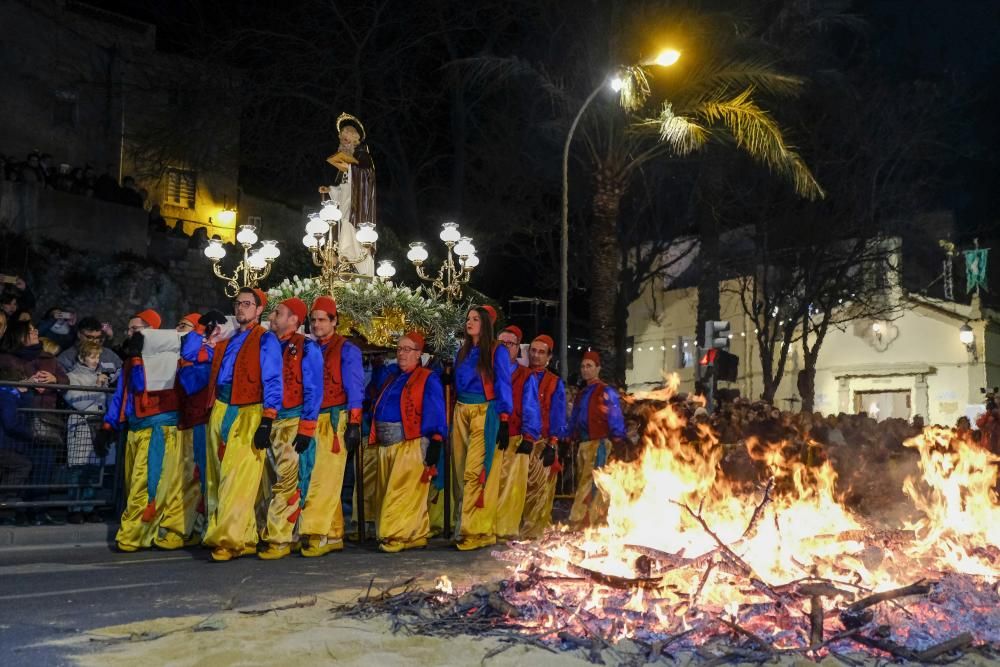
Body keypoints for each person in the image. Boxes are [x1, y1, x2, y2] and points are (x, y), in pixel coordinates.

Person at [196, 288, 282, 562]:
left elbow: (272, 379)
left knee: (237, 478)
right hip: (220, 408)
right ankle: (242, 536)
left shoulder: (266, 340)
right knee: (217, 476)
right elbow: (196, 355)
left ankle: (227, 539)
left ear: (259, 311)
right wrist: (203, 332)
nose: (241, 308)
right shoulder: (228, 338)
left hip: (248, 412)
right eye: (238, 303)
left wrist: (267, 418)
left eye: (247, 304)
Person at [95, 309, 187, 551]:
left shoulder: (168, 357)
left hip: (157, 427)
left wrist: (137, 359)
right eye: (128, 330)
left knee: (145, 484)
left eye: (135, 329)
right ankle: (149, 531)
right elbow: (121, 395)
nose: (129, 334)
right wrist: (108, 424)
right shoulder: (131, 358)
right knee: (134, 483)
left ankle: (133, 535)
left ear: (150, 331)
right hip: (137, 427)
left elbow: (142, 385)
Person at [367, 332, 446, 552]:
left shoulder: (427, 377)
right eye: (399, 349)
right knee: (390, 492)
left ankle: (395, 535)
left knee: (400, 493)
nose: (401, 354)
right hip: (386, 444)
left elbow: (435, 410)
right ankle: (415, 534)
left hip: (409, 444)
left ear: (419, 353)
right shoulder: (392, 376)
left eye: (407, 349)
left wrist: (436, 440)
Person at [297, 296, 363, 557]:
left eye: (322, 319)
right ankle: (334, 532)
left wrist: (354, 424)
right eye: (313, 320)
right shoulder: (311, 348)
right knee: (318, 476)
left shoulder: (347, 349)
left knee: (323, 479)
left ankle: (318, 534)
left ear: (334, 322)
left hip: (336, 419)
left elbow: (355, 388)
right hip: (313, 419)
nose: (316, 324)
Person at [258, 298, 322, 560]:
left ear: (294, 319)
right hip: (268, 421)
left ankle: (280, 538)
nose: (273, 317)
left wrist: (306, 429)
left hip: (292, 422)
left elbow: (313, 388)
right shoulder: (266, 343)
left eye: (278, 313)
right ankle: (270, 532)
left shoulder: (307, 347)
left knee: (287, 482)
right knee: (268, 482)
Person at [449, 305, 512, 551]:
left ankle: (477, 531)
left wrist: (504, 419)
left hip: (484, 413)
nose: (469, 322)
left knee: (476, 471)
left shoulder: (497, 351)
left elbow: (504, 384)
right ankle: (463, 525)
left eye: (475, 319)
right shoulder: (463, 351)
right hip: (461, 411)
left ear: (485, 323)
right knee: (459, 470)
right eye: (468, 318)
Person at [566, 351, 626, 529]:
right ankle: (591, 521)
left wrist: (618, 438)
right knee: (585, 482)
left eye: (589, 366)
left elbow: (615, 416)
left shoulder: (605, 391)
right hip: (583, 444)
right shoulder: (582, 393)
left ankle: (584, 521)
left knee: (592, 483)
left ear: (598, 368)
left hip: (598, 443)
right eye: (583, 366)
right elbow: (575, 418)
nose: (585, 370)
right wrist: (568, 434)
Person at [494, 325, 541, 541]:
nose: (504, 348)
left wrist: (529, 437)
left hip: (515, 436)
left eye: (509, 344)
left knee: (511, 486)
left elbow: (531, 406)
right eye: (500, 343)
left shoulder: (525, 375)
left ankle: (504, 530)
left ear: (517, 349)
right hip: (489, 435)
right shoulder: (488, 370)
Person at [520, 334, 567, 539]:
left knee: (540, 493)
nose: (536, 356)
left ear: (549, 357)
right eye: (533, 351)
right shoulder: (520, 375)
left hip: (543, 443)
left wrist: (553, 444)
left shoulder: (555, 382)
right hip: (521, 443)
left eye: (541, 352)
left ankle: (535, 535)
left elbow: (558, 414)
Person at [319, 113, 375, 276]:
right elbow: (344, 189)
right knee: (343, 236)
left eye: (347, 138)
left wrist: (350, 167)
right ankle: (345, 267)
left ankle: (358, 270)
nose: (344, 141)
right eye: (342, 138)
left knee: (353, 237)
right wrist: (330, 191)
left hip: (358, 210)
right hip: (345, 207)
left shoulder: (363, 157)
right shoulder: (346, 164)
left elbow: (367, 177)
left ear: (355, 140)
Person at [64, 339, 112, 523]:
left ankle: (89, 507)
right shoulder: (72, 376)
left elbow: (106, 403)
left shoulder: (100, 376)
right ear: (82, 358)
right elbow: (79, 403)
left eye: (98, 356)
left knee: (94, 470)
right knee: (77, 470)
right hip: (81, 426)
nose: (96, 359)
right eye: (92, 356)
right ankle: (74, 508)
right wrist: (97, 387)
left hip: (98, 426)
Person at [57, 316, 122, 375]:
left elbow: (123, 373)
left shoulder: (110, 355)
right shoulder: (66, 358)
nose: (94, 341)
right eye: (89, 337)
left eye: (98, 337)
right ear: (79, 334)